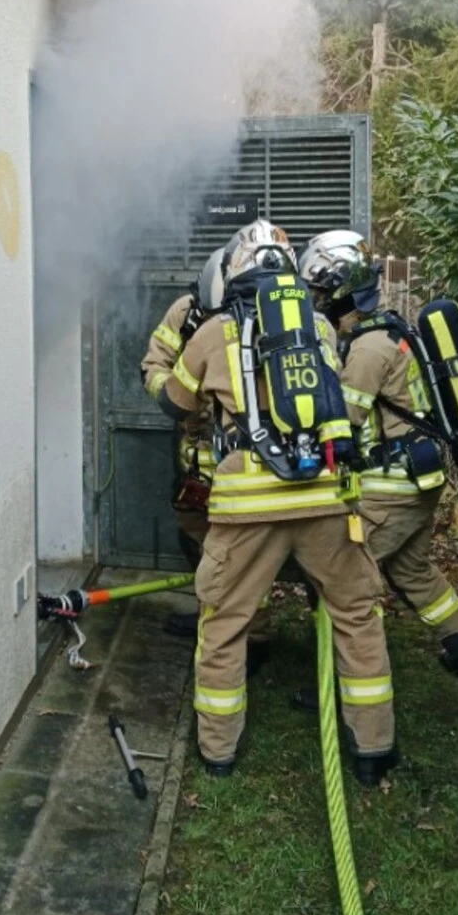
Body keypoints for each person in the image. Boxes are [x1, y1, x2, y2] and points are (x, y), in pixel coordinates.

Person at [155, 219, 398, 786]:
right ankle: (373, 749)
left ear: (235, 271)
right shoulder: (317, 324)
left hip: (246, 513)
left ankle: (218, 751)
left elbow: (175, 402)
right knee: (357, 617)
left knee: (224, 624)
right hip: (324, 501)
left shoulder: (213, 333)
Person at [291, 231, 458, 714]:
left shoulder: (366, 351)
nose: (317, 301)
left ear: (341, 292)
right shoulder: (390, 331)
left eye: (321, 293)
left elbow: (343, 425)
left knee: (341, 585)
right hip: (417, 484)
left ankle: (341, 690)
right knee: (415, 573)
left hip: (390, 490)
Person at [141, 248, 271, 671]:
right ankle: (211, 616)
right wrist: (173, 395)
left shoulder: (260, 317)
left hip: (245, 458)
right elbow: (154, 362)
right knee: (194, 533)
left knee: (244, 548)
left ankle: (253, 633)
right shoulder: (185, 311)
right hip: (196, 454)